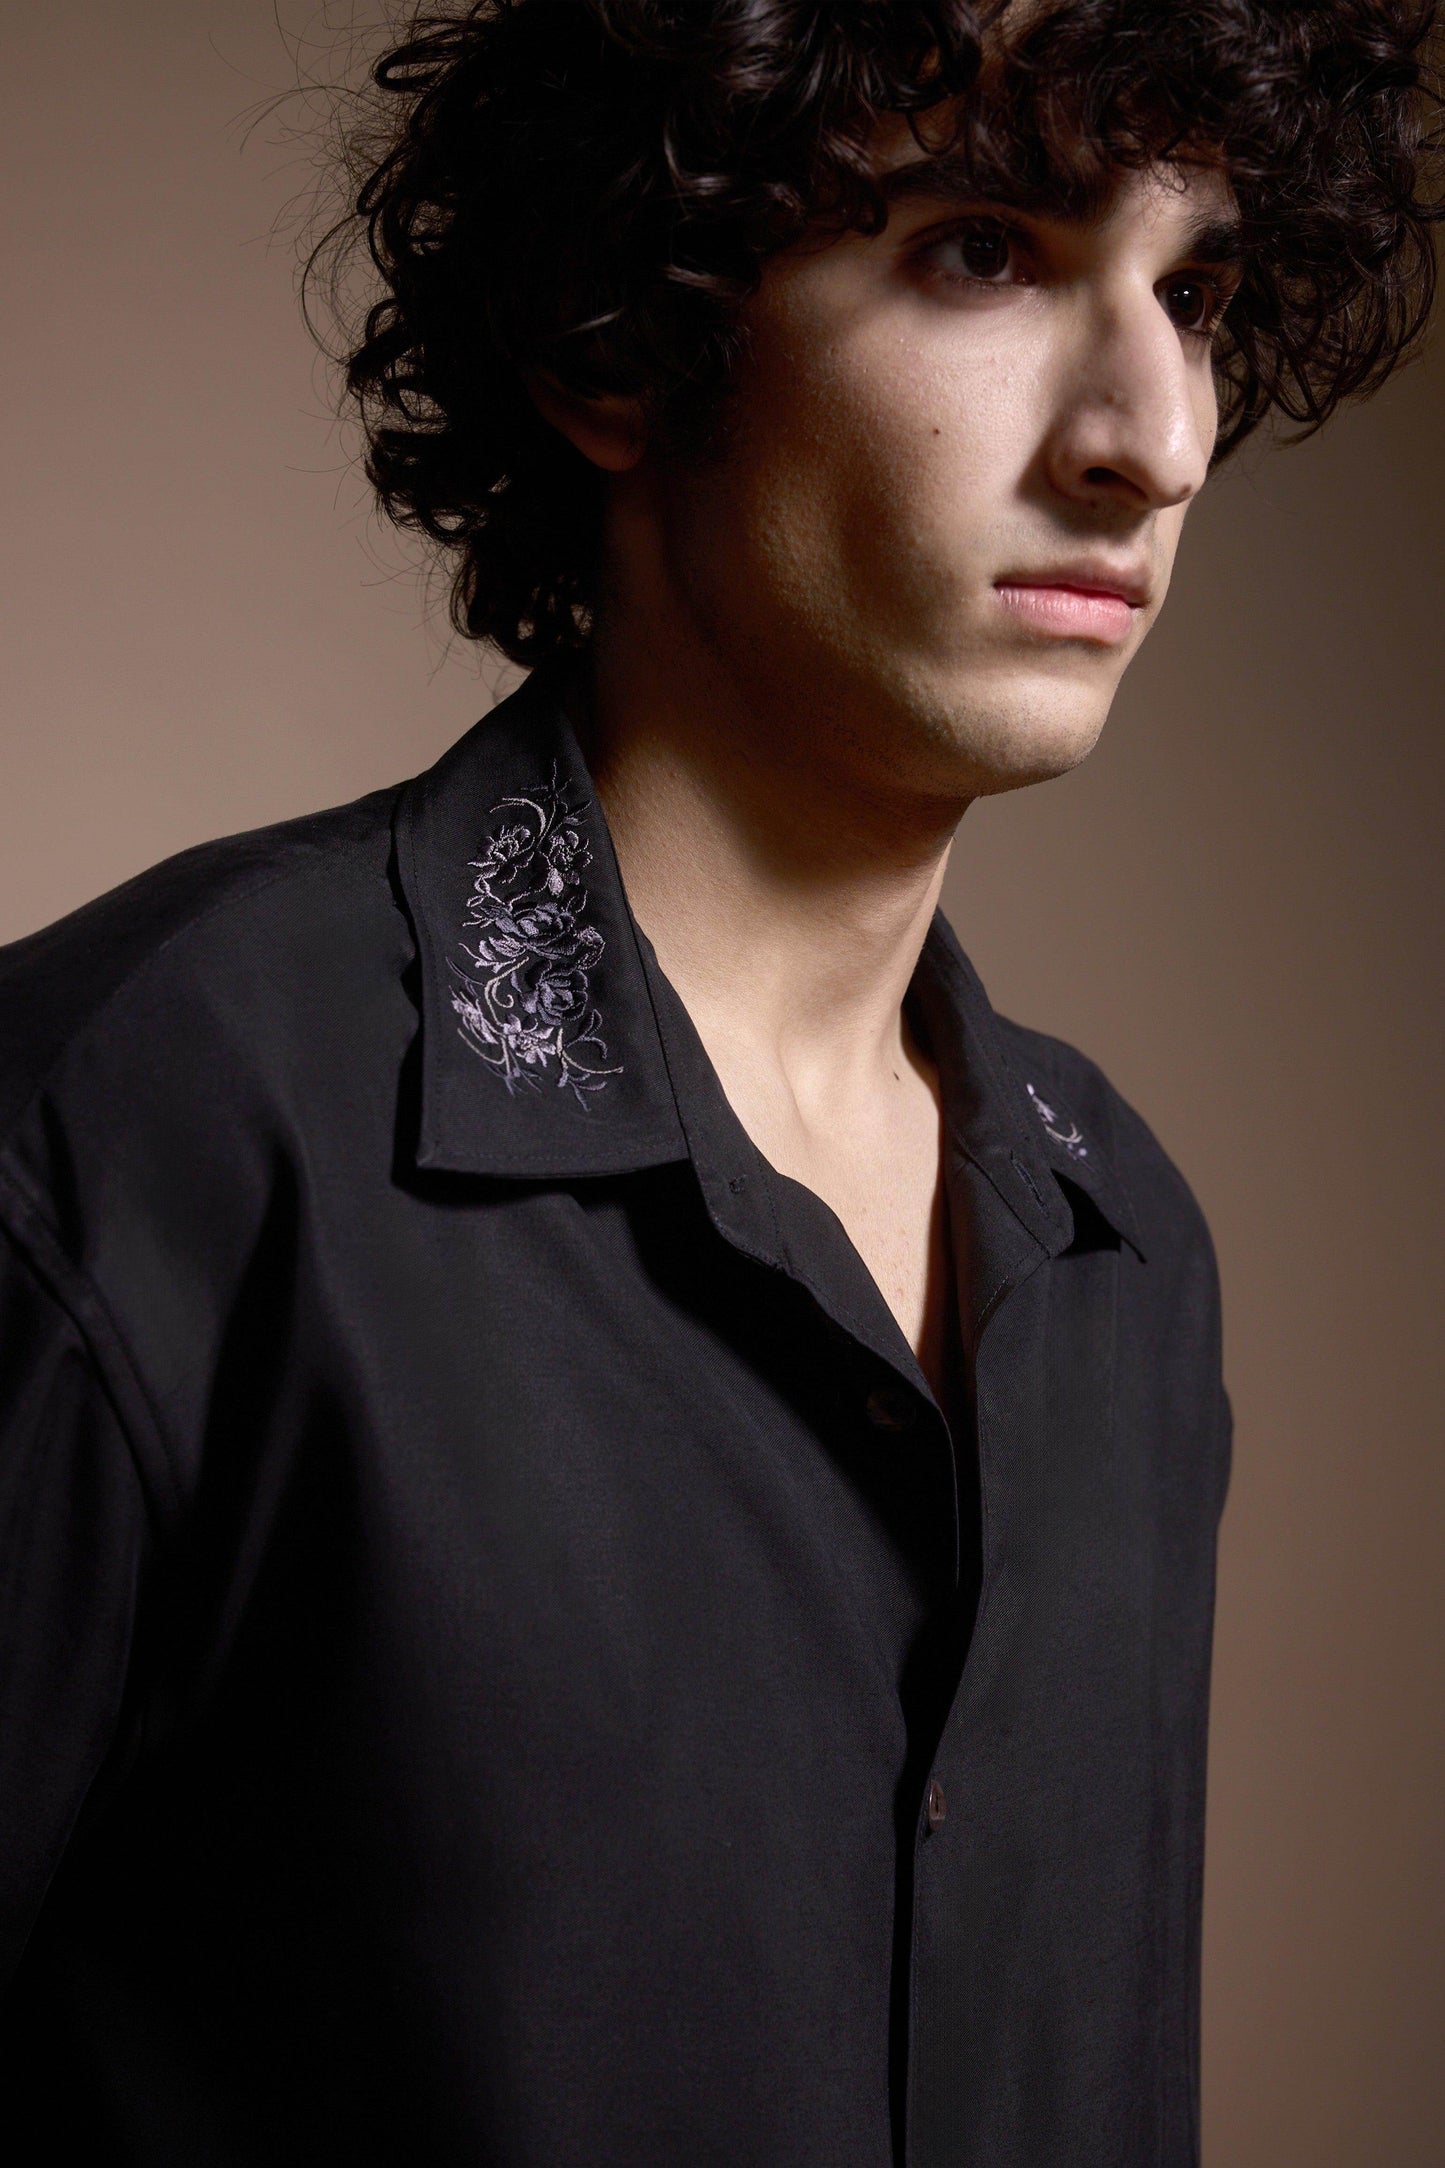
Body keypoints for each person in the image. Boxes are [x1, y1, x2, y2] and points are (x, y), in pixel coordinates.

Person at [0, 3, 1438, 2161]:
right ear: (618, 345)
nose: (1153, 438)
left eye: (1197, 293)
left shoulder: (1120, 1245)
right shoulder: (146, 1120)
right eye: (983, 250)